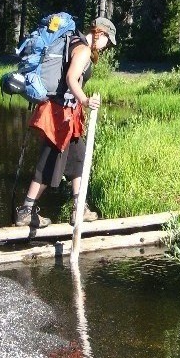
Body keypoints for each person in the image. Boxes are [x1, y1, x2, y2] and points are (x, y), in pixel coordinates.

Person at [15, 16, 117, 228]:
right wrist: (86, 100)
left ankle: (79, 208)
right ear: (101, 33)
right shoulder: (83, 49)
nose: (107, 46)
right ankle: (26, 211)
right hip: (60, 115)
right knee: (50, 161)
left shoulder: (73, 42)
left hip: (65, 113)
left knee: (78, 158)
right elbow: (71, 78)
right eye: (108, 40)